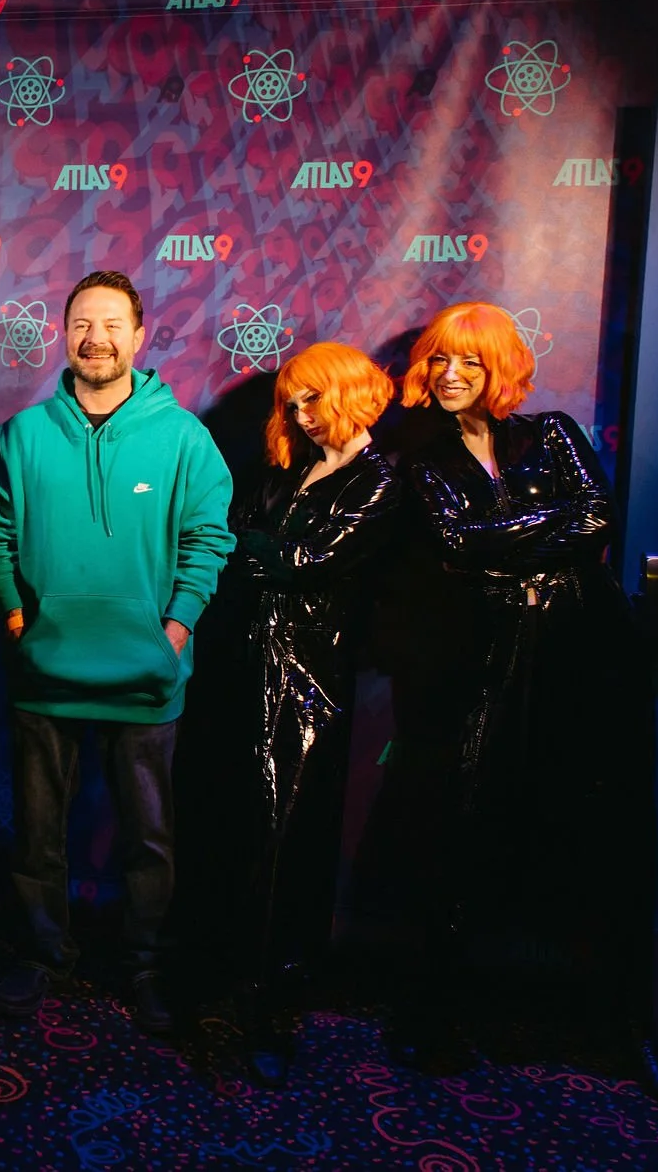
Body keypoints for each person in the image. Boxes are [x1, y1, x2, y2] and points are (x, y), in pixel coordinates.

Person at [374, 301, 658, 1103]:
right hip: (485, 666)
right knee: (459, 837)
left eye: (469, 362)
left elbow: (596, 518)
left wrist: (502, 536)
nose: (450, 375)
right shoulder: (422, 460)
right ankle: (434, 1016)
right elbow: (456, 542)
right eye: (440, 360)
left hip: (587, 662)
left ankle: (627, 1028)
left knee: (609, 844)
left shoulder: (551, 434)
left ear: (500, 368)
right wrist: (543, 532)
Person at [0, 269, 235, 1032]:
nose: (96, 339)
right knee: (37, 833)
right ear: (65, 334)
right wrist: (17, 618)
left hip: (148, 674)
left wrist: (174, 631)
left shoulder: (183, 437)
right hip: (45, 673)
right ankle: (42, 954)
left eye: (112, 324)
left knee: (148, 839)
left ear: (139, 336)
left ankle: (145, 965)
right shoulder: (23, 435)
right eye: (83, 324)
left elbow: (208, 539)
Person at [227, 342, 398, 1084]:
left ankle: (276, 1005)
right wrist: (255, 546)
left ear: (351, 392)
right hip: (243, 668)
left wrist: (250, 546)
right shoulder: (287, 469)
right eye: (291, 403)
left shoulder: (380, 478)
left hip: (309, 681)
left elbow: (304, 561)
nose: (300, 415)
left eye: (313, 399)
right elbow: (241, 540)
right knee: (242, 830)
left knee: (290, 839)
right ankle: (241, 984)